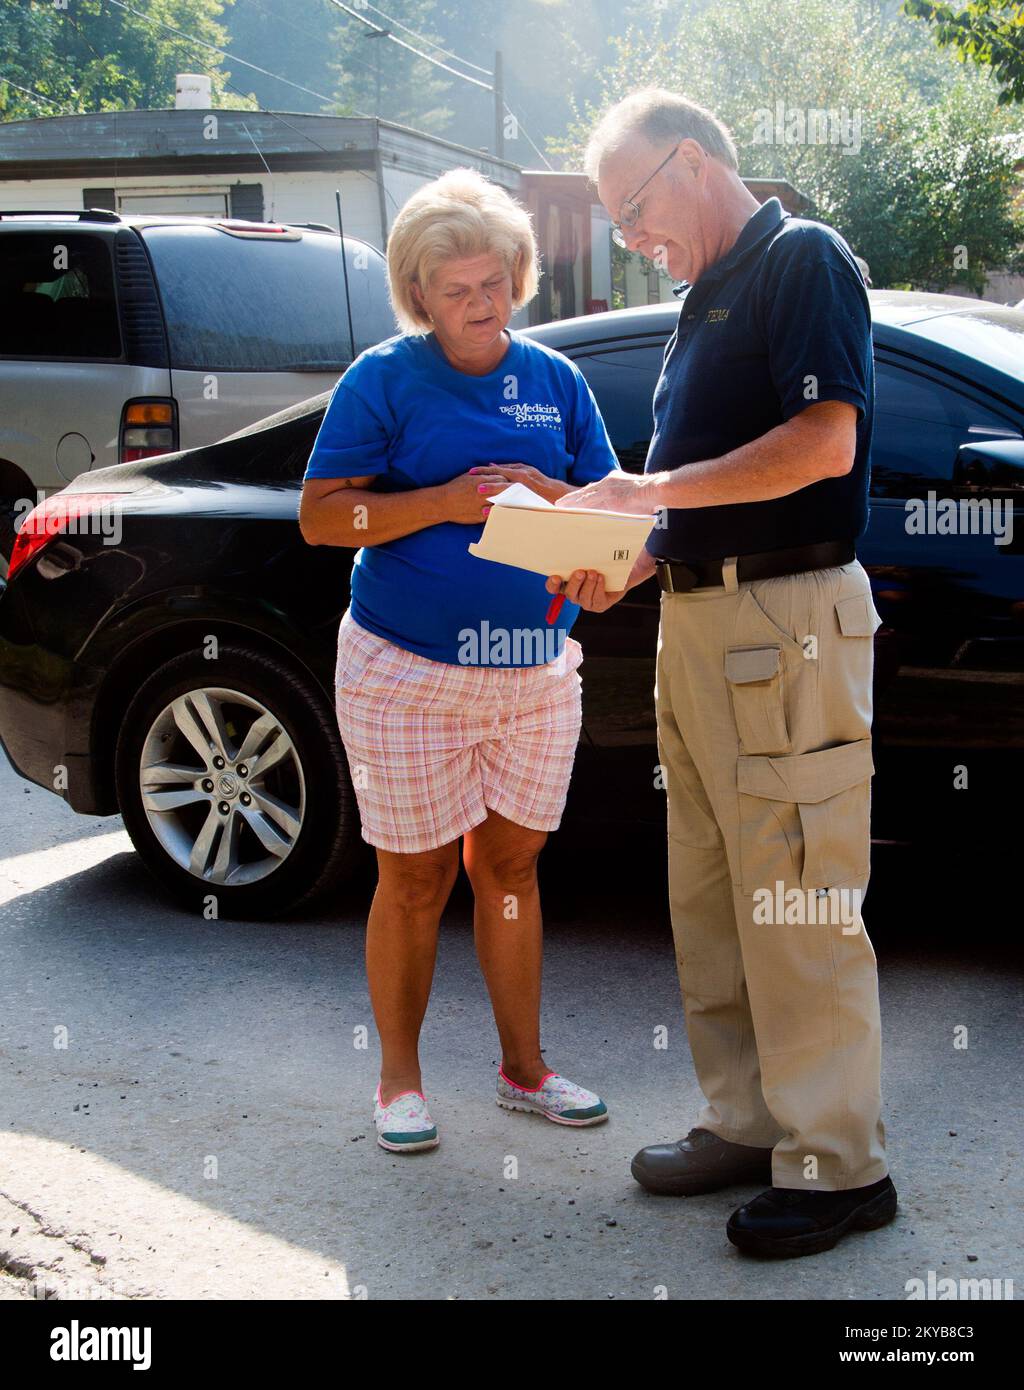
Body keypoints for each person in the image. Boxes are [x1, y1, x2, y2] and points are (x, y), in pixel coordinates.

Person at [548, 89, 897, 1257]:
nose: (632, 236)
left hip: (787, 623)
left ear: (692, 163)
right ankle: (749, 1122)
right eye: (616, 223)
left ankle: (837, 1163)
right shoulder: (700, 297)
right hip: (697, 624)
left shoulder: (801, 257)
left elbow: (823, 443)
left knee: (797, 900)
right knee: (708, 899)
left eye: (635, 206)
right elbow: (702, 498)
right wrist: (625, 562)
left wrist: (646, 492)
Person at [299, 168, 619, 1154]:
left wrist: (566, 516)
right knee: (415, 877)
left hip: (531, 672)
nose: (479, 305)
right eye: (455, 290)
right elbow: (321, 516)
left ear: (519, 277)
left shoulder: (555, 380)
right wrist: (438, 501)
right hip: (404, 668)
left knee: (511, 867)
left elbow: (609, 511)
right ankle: (399, 1083)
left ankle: (524, 1071)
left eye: (493, 283)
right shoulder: (384, 378)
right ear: (420, 297)